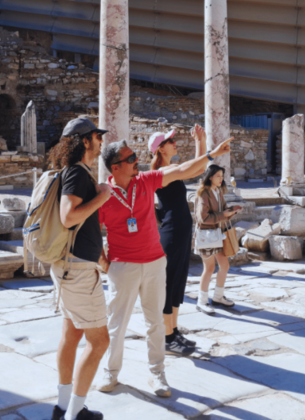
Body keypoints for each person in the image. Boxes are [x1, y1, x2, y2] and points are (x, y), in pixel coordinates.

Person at [97, 136, 232, 397]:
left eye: (136, 156)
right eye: (130, 158)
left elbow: (183, 170)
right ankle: (110, 372)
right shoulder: (104, 194)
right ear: (115, 167)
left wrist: (210, 155)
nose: (137, 160)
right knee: (117, 324)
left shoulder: (145, 180)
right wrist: (106, 265)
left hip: (154, 263)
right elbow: (91, 231)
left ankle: (157, 373)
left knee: (156, 323)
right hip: (123, 266)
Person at [48, 117, 111, 420]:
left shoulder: (75, 172)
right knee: (100, 342)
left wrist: (100, 256)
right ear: (85, 141)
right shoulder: (76, 173)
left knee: (71, 335)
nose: (101, 141)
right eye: (97, 136)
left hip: (71, 266)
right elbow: (69, 217)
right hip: (78, 272)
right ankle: (74, 414)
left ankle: (63, 408)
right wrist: (102, 197)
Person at [149, 124, 211, 354]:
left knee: (177, 283)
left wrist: (200, 141)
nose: (174, 143)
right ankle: (166, 338)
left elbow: (197, 169)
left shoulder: (171, 169)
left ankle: (173, 332)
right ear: (160, 149)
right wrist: (200, 143)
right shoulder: (163, 172)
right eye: (170, 141)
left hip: (181, 232)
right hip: (172, 233)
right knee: (168, 284)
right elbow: (195, 168)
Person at [194, 165, 239, 315]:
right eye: (218, 176)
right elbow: (203, 218)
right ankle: (202, 301)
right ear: (210, 176)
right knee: (209, 268)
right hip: (206, 235)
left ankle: (218, 297)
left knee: (224, 265)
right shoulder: (203, 193)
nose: (221, 179)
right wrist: (223, 215)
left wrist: (232, 211)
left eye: (222, 176)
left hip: (218, 234)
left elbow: (223, 210)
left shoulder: (218, 191)